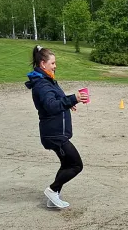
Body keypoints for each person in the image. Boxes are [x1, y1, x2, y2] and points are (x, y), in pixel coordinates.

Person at [25, 45, 89, 209]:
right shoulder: (42, 84)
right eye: (52, 63)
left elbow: (57, 99)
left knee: (66, 164)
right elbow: (51, 106)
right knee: (76, 165)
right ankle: (52, 190)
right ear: (42, 64)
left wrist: (69, 103)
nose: (55, 66)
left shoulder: (47, 80)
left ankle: (53, 197)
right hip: (54, 134)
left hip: (56, 132)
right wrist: (73, 98)